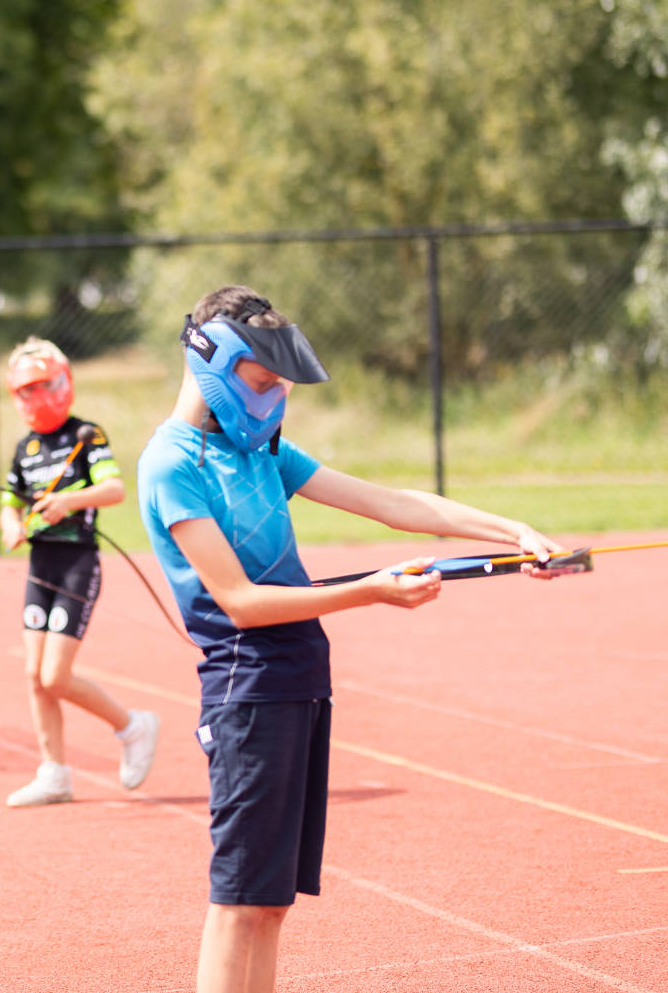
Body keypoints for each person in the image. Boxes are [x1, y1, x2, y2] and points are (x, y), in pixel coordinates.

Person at [136, 285, 559, 993]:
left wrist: (512, 533)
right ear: (213, 362)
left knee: (269, 904)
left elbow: (390, 504)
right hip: (248, 687)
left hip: (300, 675)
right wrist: (372, 592)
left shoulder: (263, 448)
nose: (272, 399)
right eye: (262, 382)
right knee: (236, 904)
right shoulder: (172, 464)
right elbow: (239, 602)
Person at [0, 337, 161, 808]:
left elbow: (113, 489)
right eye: (24, 391)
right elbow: (10, 501)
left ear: (63, 381)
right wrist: (13, 526)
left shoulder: (87, 435)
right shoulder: (25, 448)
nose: (33, 398)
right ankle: (54, 773)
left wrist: (68, 501)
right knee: (34, 675)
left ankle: (132, 726)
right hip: (40, 564)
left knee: (55, 676)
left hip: (77, 564)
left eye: (41, 386)